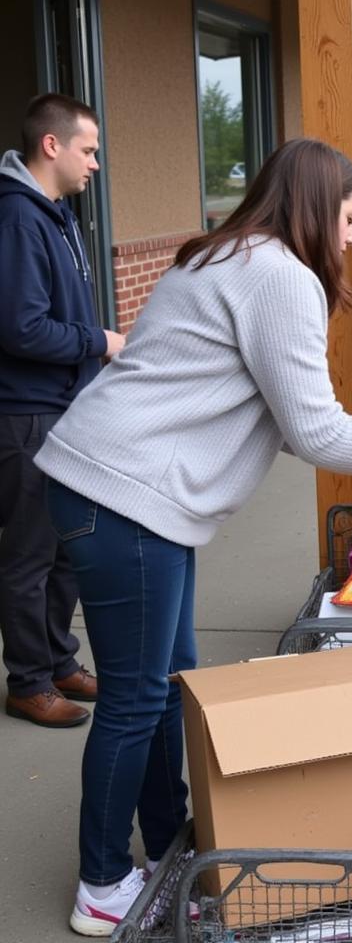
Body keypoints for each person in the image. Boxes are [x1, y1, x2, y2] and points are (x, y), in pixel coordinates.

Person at [34, 137, 352, 937]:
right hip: (124, 498)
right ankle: (102, 881)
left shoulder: (227, 253)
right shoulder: (281, 275)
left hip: (123, 490)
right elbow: (314, 433)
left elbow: (272, 406)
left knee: (163, 682)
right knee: (136, 697)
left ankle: (167, 842)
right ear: (318, 209)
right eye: (351, 218)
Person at [0, 93, 125, 730]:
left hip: (63, 407)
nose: (95, 164)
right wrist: (99, 342)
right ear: (52, 146)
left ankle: (56, 662)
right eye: (89, 150)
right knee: (28, 556)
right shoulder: (18, 218)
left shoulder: (55, 214)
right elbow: (19, 329)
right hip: (25, 415)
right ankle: (26, 682)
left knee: (64, 552)